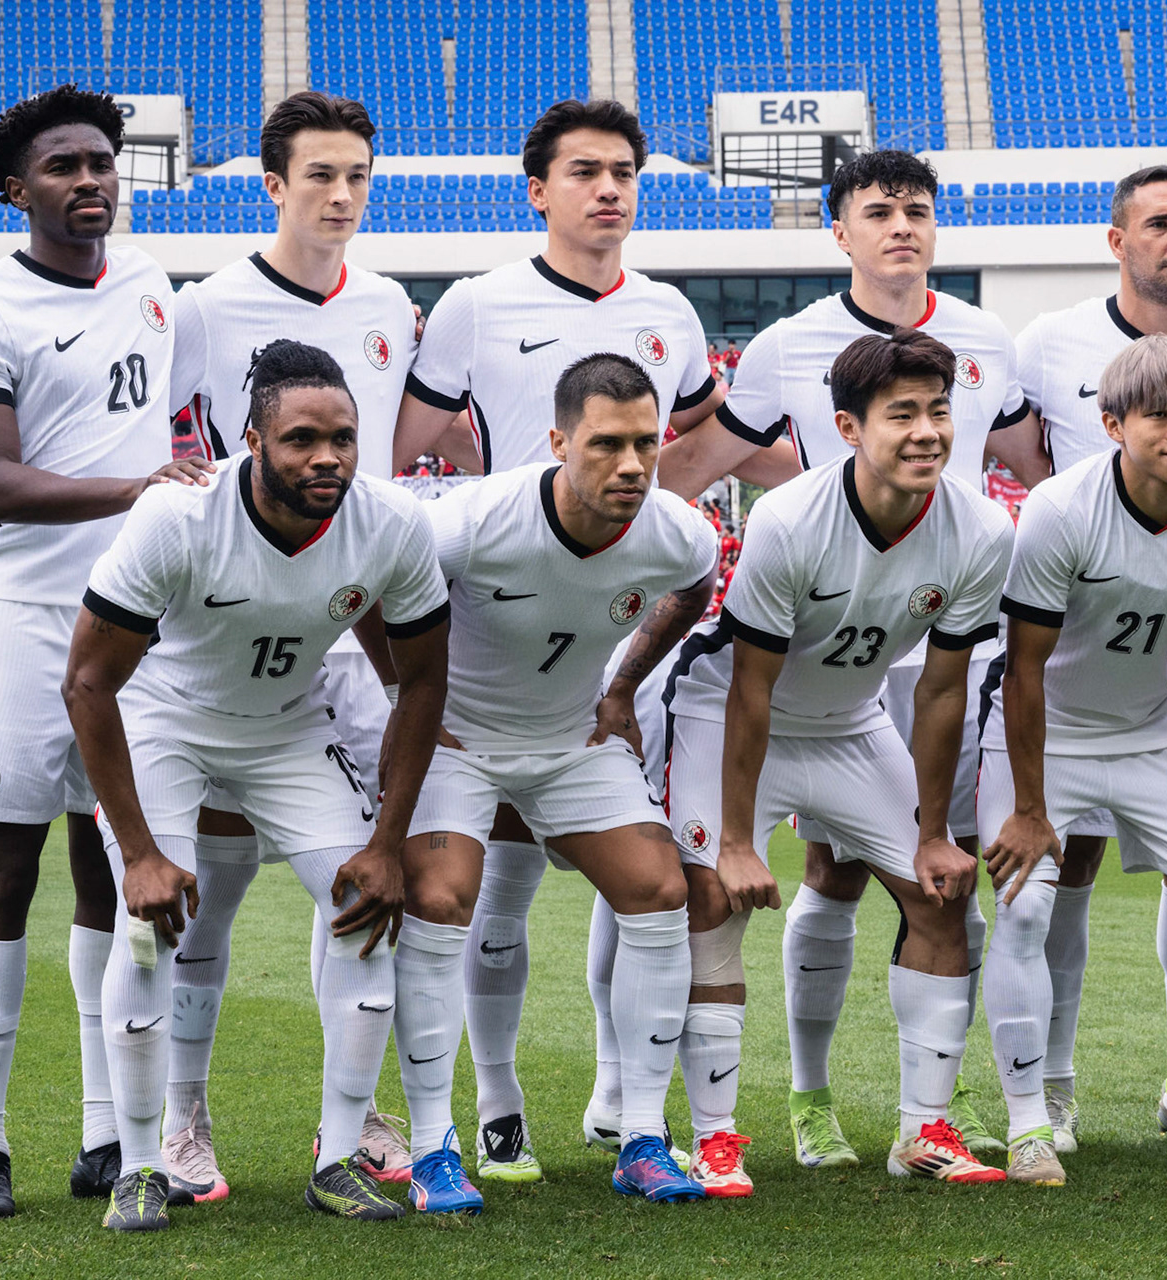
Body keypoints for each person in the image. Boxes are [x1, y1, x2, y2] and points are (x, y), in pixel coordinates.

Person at [657, 146, 1048, 1170]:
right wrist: (740, 836)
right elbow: (747, 689)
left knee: (938, 889)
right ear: (846, 428)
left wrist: (930, 829)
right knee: (708, 891)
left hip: (853, 713)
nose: (927, 433)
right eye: (902, 416)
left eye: (938, 414)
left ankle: (923, 1127)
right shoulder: (787, 516)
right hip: (733, 714)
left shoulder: (980, 526)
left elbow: (947, 687)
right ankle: (716, 1135)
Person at [392, 98, 727, 1183]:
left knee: (658, 886)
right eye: (584, 170)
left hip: (577, 698)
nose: (609, 188)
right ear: (538, 189)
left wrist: (627, 683)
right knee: (463, 900)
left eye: (626, 170)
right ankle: (463, 1123)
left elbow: (696, 544)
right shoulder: (477, 309)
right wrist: (417, 703)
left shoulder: (671, 317)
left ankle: (637, 1130)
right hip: (472, 687)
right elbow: (396, 499)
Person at [63, 339, 450, 1230]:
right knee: (148, 929)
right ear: (252, 440)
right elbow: (88, 683)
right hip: (169, 721)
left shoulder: (389, 525)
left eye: (344, 438)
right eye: (302, 439)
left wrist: (387, 844)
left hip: (286, 730)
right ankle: (141, 1164)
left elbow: (422, 681)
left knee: (364, 905)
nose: (327, 457)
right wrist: (141, 853)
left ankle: (340, 1155)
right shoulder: (176, 519)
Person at [152, 89, 444, 1198]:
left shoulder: (387, 302)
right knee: (209, 889)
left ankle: (357, 1114)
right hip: (234, 630)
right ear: (273, 184)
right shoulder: (207, 305)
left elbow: (401, 455)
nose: (341, 194)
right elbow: (153, 443)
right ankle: (183, 1118)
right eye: (320, 174)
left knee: (366, 874)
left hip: (355, 626)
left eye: (359, 175)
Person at [0, 84, 211, 1221]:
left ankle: (107, 1130)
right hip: (24, 619)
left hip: (138, 626)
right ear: (17, 188)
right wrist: (137, 487)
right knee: (2, 878)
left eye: (103, 161)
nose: (91, 178)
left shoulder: (154, 288)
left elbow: (189, 422)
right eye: (63, 165)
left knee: (119, 877)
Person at [1012, 163, 1167, 1151]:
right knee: (1057, 871)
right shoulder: (1048, 342)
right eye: (1160, 222)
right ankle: (1053, 1095)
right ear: (1117, 237)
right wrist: (1090, 542)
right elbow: (1026, 458)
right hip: (1077, 629)